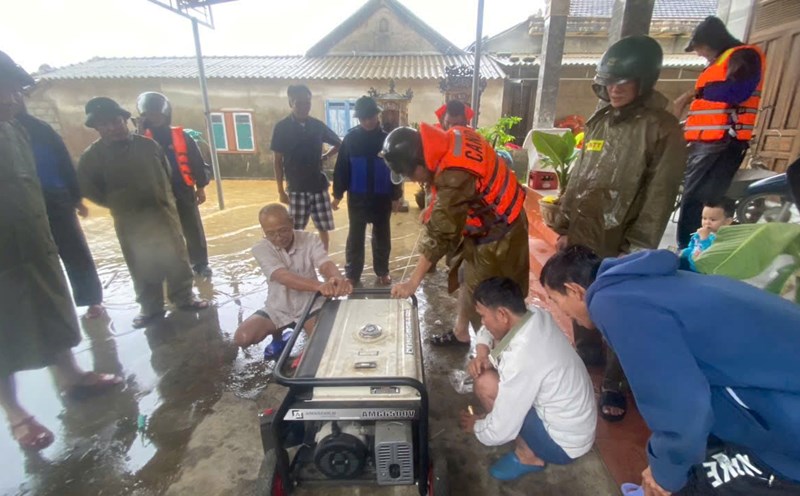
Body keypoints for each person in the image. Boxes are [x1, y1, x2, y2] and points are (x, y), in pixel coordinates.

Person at [541, 246, 800, 496]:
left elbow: (681, 405)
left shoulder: (612, 303)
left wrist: (664, 473)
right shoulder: (644, 283)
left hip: (787, 432)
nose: (558, 310)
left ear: (574, 290)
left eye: (554, 299)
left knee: (685, 485)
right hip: (773, 397)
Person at [552, 35, 687, 422]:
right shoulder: (599, 121)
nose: (615, 89)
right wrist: (564, 223)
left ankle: (614, 380)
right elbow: (580, 176)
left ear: (645, 80)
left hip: (623, 240)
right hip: (583, 232)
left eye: (624, 81)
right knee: (578, 293)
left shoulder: (662, 128)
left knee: (618, 309)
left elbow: (660, 195)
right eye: (609, 81)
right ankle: (586, 350)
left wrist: (638, 248)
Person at [0, 51, 122, 452]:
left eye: (17, 90)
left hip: (35, 240)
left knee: (51, 306)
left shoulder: (17, 131)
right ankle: (16, 413)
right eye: (6, 90)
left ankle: (71, 376)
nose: (15, 98)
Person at [383, 124, 529, 347]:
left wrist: (412, 283)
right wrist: (433, 208)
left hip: (500, 233)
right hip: (494, 221)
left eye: (410, 174)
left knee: (487, 300)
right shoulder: (453, 136)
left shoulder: (453, 175)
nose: (411, 179)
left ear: (420, 161)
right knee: (464, 275)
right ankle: (461, 332)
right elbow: (455, 191)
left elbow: (440, 234)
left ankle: (498, 355)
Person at [77, 97, 209, 329]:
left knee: (177, 258)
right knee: (141, 263)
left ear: (124, 120)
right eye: (104, 124)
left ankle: (184, 297)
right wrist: (117, 203)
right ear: (96, 128)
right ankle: (150, 307)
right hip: (130, 221)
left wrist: (164, 199)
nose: (112, 128)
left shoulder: (149, 146)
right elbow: (89, 189)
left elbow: (166, 173)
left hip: (164, 215)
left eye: (116, 121)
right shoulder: (92, 157)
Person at [458, 277, 596, 481]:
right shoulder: (534, 314)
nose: (483, 322)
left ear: (502, 314)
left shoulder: (522, 356)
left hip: (562, 446)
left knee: (485, 384)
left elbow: (500, 431)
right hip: (578, 427)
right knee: (498, 379)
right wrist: (482, 353)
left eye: (483, 316)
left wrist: (477, 427)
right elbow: (487, 330)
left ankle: (528, 456)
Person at [674, 16, 765, 249]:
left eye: (698, 48)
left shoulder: (744, 56)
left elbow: (737, 91)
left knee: (701, 202)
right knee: (696, 199)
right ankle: (693, 248)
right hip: (707, 144)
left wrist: (696, 93)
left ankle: (691, 250)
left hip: (723, 143)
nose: (698, 54)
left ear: (709, 42)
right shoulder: (722, 61)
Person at [14, 98, 105, 318]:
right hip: (19, 202)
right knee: (33, 256)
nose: (11, 100)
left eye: (15, 94)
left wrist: (76, 198)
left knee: (73, 249)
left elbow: (64, 161)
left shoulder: (40, 129)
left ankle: (91, 300)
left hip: (55, 198)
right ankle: (48, 305)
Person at [233, 204, 352, 356]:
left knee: (325, 344)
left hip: (311, 305)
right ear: (263, 230)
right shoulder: (260, 248)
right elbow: (282, 276)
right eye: (271, 233)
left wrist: (338, 279)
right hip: (278, 307)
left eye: (283, 230)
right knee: (242, 337)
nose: (278, 237)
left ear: (291, 222)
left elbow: (325, 264)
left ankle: (305, 336)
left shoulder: (310, 239)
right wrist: (320, 286)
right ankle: (278, 339)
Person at [136, 91, 213, 278]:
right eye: (149, 115)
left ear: (166, 115)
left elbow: (196, 162)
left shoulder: (181, 137)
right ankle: (170, 266)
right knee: (161, 231)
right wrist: (139, 131)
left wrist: (201, 188)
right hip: (154, 194)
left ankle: (200, 263)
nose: (154, 118)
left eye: (157, 114)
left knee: (192, 228)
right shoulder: (137, 139)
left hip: (182, 189)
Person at [332, 96, 402, 286]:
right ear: (358, 118)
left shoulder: (387, 139)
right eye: (363, 118)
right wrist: (337, 195)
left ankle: (382, 271)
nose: (368, 121)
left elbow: (396, 170)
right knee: (355, 236)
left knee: (382, 236)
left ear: (377, 115)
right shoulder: (350, 139)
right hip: (358, 196)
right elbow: (342, 168)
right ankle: (352, 274)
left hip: (382, 196)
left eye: (370, 117)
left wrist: (396, 196)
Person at [270, 84, 341, 251]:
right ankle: (294, 260)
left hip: (318, 186)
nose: (304, 107)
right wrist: (281, 191)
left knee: (323, 228)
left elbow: (339, 144)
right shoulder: (282, 128)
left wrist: (325, 156)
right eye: (299, 103)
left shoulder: (317, 126)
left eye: (307, 103)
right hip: (296, 188)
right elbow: (277, 161)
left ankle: (323, 259)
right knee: (294, 230)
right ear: (291, 103)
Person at [679, 198, 734, 271]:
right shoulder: (699, 234)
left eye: (713, 220)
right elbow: (692, 248)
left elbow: (708, 257)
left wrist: (704, 239)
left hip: (704, 271)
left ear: (727, 221)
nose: (707, 222)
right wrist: (683, 252)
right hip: (691, 265)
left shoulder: (723, 240)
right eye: (704, 218)